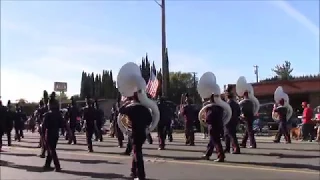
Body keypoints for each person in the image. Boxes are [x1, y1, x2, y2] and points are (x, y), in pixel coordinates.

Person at [119, 92, 152, 180]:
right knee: (136, 151)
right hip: (142, 133)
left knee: (137, 153)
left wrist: (126, 102)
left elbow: (121, 111)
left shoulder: (131, 108)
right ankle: (134, 171)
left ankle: (141, 175)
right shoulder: (145, 109)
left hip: (135, 133)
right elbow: (150, 120)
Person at [201, 94, 225, 162]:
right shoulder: (220, 107)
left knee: (216, 141)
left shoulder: (211, 107)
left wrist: (205, 119)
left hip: (213, 126)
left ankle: (221, 156)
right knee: (212, 141)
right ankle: (207, 154)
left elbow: (209, 117)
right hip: (219, 125)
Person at [42, 94, 63, 172]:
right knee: (51, 149)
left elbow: (44, 126)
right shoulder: (58, 114)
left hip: (49, 133)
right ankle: (47, 165)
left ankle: (57, 166)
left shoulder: (47, 114)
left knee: (51, 150)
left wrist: (43, 136)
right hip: (56, 133)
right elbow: (62, 124)